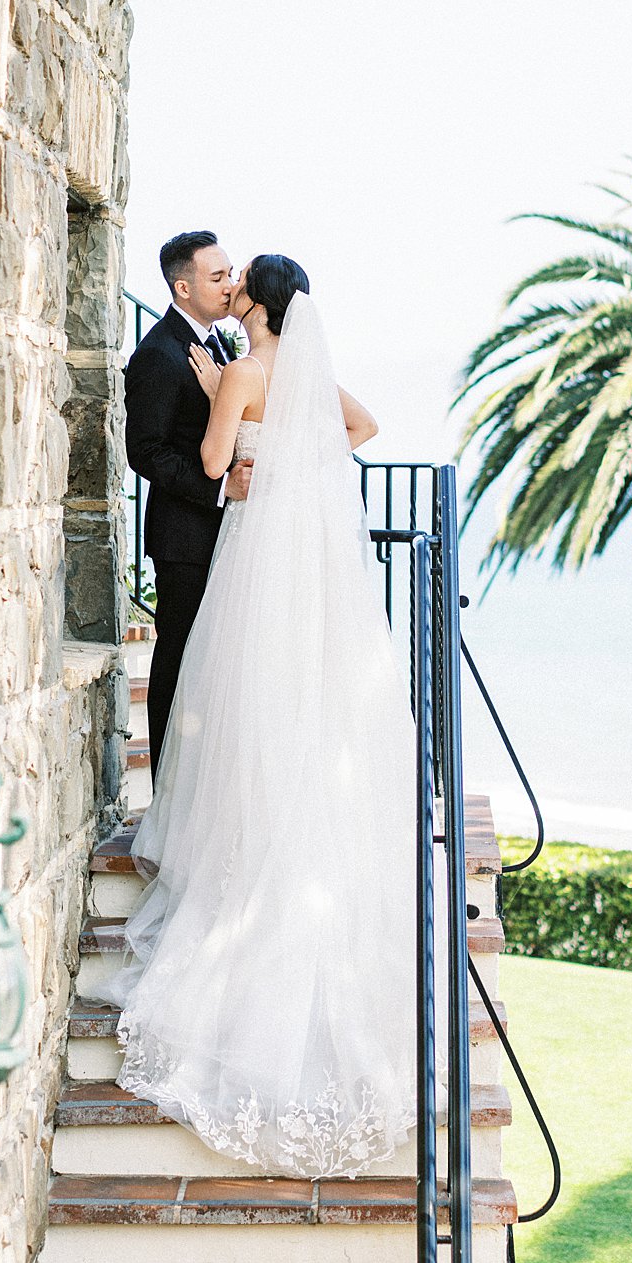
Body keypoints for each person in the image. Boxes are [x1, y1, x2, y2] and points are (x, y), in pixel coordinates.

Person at [107, 255, 430, 1179]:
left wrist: (226, 403)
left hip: (256, 554)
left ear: (254, 301)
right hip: (310, 557)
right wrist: (300, 452)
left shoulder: (244, 371)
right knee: (307, 695)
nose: (229, 284)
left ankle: (243, 845)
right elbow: (363, 426)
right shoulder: (308, 374)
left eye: (238, 279)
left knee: (244, 697)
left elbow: (212, 462)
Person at [123, 232, 254, 778]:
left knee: (215, 662)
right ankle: (165, 788)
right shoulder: (156, 353)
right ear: (183, 286)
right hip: (184, 535)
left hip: (224, 529)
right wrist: (219, 489)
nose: (230, 286)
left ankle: (203, 782)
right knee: (177, 659)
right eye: (217, 277)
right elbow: (144, 452)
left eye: (230, 274)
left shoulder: (220, 345)